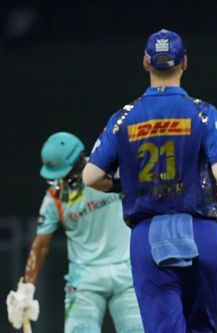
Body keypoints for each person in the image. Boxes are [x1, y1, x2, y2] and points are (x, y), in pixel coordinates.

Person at [82, 29, 217, 333]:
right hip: (200, 230)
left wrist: (125, 186)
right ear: (185, 63)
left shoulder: (124, 117)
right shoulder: (202, 112)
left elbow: (91, 176)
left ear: (145, 62)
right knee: (202, 327)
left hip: (147, 234)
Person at [6, 132, 144, 333]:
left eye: (64, 173)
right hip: (84, 283)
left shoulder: (113, 170)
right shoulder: (55, 196)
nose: (60, 180)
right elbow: (41, 244)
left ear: (79, 161)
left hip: (128, 275)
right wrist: (26, 287)